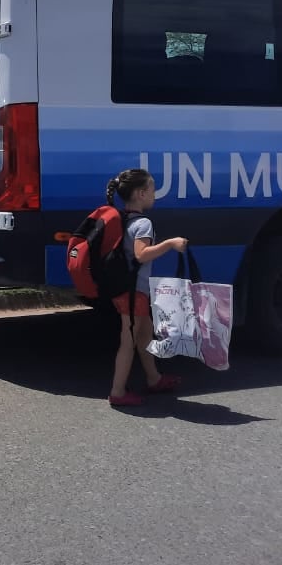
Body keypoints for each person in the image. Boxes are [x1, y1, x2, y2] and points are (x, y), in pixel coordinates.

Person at [105, 168, 187, 407]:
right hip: (134, 292)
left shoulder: (122, 218)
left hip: (125, 289)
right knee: (128, 341)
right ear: (141, 193)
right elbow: (142, 255)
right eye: (152, 189)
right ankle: (118, 391)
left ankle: (154, 378)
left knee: (144, 334)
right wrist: (171, 244)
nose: (154, 194)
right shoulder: (143, 224)